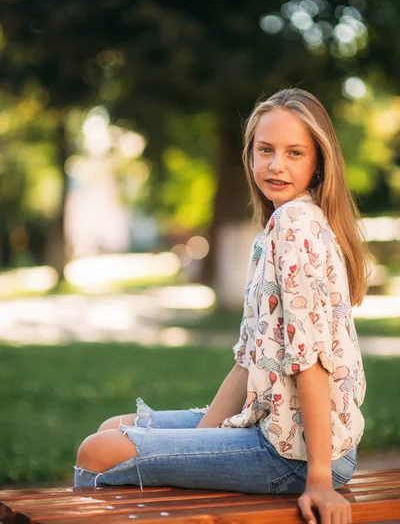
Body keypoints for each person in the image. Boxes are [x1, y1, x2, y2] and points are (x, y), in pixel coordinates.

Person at [74, 88, 371, 524]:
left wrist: (321, 482)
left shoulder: (295, 226)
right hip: (272, 431)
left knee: (96, 453)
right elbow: (247, 362)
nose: (276, 165)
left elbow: (311, 362)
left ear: (318, 162)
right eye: (265, 150)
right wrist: (199, 447)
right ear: (250, 154)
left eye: (295, 153)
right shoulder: (277, 228)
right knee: (111, 431)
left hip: (297, 455)